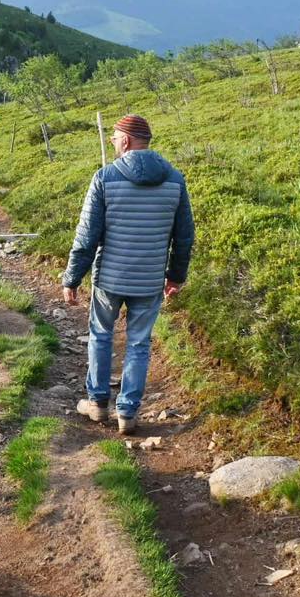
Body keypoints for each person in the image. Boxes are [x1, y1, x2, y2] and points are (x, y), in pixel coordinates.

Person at [61, 114, 194, 434]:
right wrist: (175, 277)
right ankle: (128, 413)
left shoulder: (105, 177)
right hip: (149, 280)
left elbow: (86, 237)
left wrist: (72, 278)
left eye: (114, 137)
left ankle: (97, 404)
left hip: (110, 278)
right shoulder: (175, 180)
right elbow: (184, 236)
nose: (112, 142)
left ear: (126, 140)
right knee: (138, 343)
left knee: (101, 335)